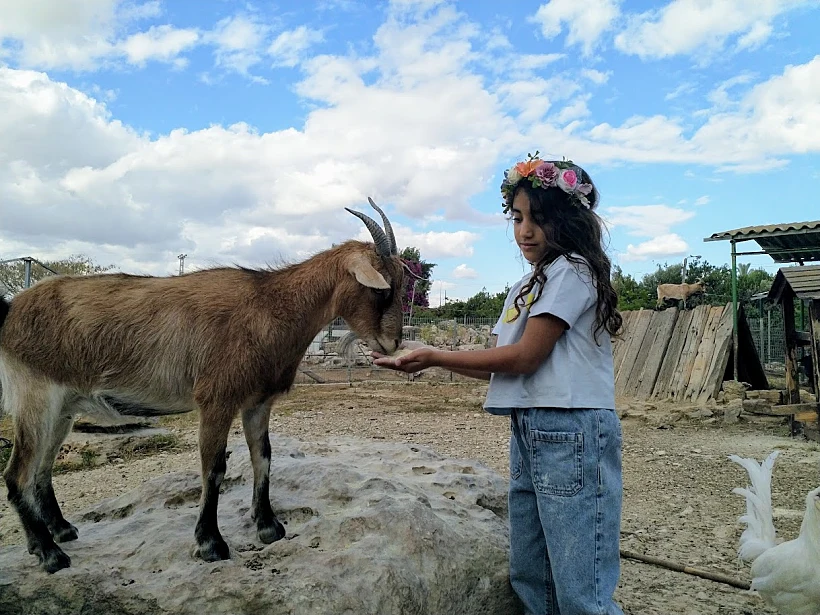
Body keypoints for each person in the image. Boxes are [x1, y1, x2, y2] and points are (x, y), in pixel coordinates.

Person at [373, 152, 625, 615]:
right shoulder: (526, 285)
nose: (524, 230)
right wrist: (430, 361)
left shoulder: (573, 271)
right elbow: (498, 365)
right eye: (518, 217)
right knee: (533, 574)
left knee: (577, 583)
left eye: (538, 219)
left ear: (569, 219)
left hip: (571, 428)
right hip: (532, 427)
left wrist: (435, 354)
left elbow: (526, 357)